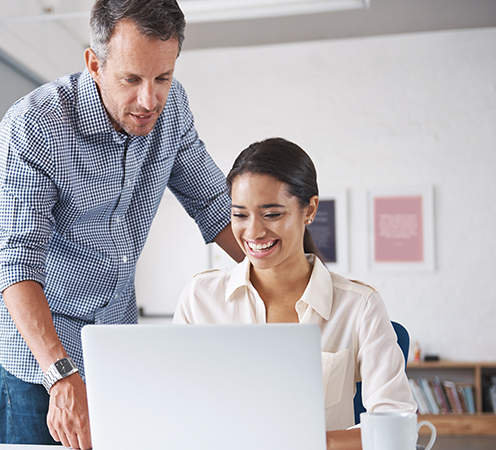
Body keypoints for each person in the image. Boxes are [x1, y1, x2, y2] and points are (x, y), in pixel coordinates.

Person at [0, 1, 244, 448]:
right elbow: (17, 263)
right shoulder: (35, 126)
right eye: (131, 79)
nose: (149, 101)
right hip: (33, 333)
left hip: (110, 326)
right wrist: (61, 376)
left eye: (162, 78)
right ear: (95, 65)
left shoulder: (172, 109)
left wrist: (299, 280)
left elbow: (215, 206)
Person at [173, 137, 417, 450]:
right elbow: (176, 409)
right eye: (240, 215)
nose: (253, 232)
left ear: (309, 210)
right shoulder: (200, 298)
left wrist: (308, 442)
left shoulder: (359, 306)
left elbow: (396, 429)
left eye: (272, 214)